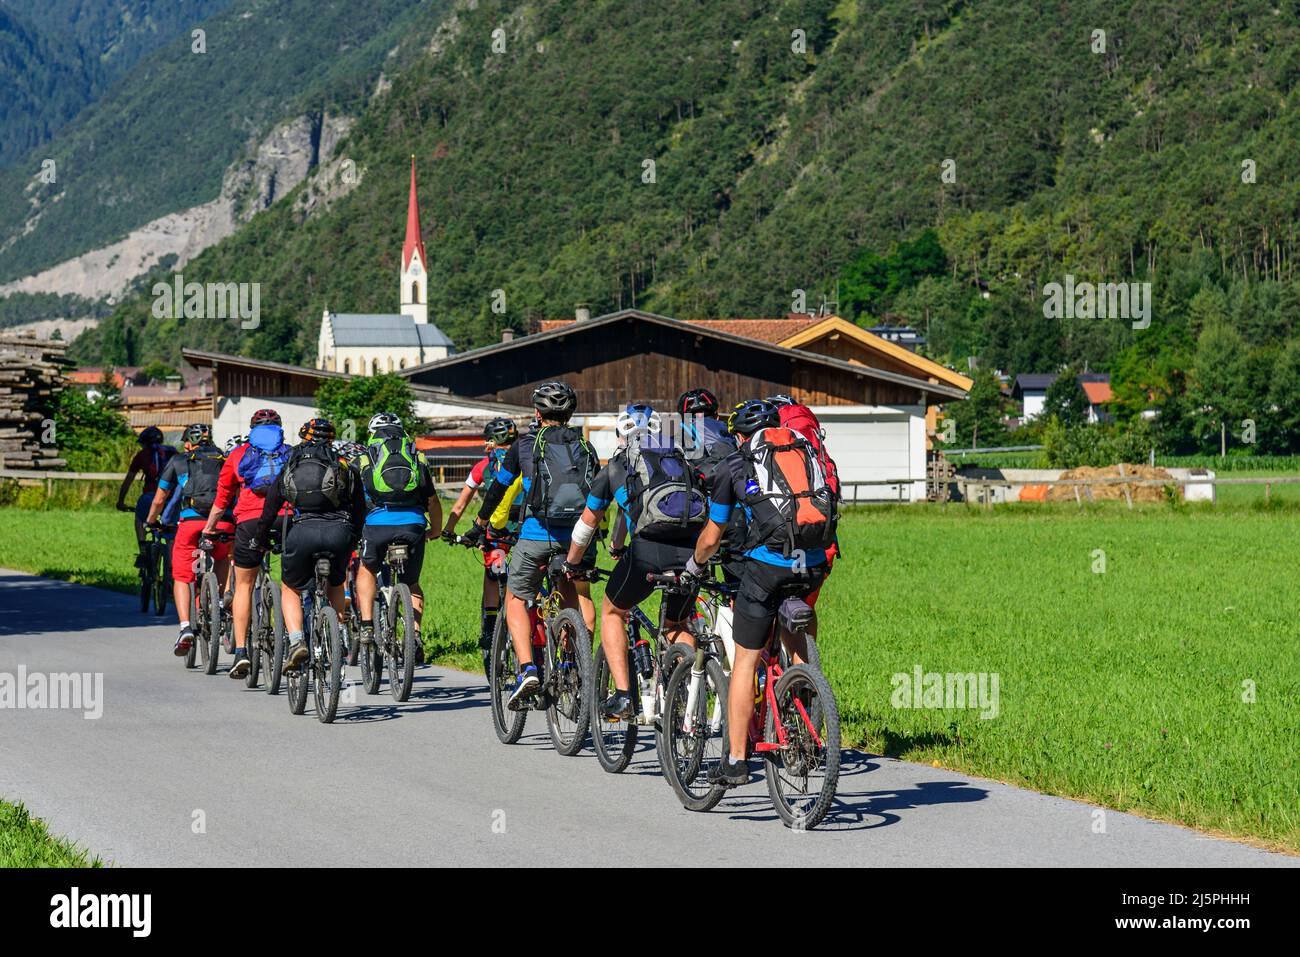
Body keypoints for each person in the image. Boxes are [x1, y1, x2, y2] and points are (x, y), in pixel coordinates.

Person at [683, 398, 838, 787]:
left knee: (746, 662)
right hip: (814, 561)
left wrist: (695, 565)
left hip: (767, 568)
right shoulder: (805, 450)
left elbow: (713, 535)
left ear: (738, 435)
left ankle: (736, 760)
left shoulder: (736, 463)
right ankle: (804, 712)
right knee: (795, 642)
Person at [563, 402, 708, 719]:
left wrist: (572, 562)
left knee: (613, 610)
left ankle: (625, 697)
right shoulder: (678, 460)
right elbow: (627, 514)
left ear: (620, 435)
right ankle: (688, 698)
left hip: (649, 552)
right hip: (693, 551)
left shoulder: (616, 466)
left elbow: (587, 523)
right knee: (677, 623)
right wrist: (618, 542)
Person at [469, 381, 598, 709]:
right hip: (577, 541)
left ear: (537, 413)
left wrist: (480, 524)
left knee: (515, 598)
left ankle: (528, 670)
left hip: (536, 536)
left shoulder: (523, 446)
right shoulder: (586, 448)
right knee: (572, 599)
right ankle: (574, 663)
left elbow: (498, 490)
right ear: (570, 414)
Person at [251, 418, 365, 671]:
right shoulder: (344, 465)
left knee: (291, 586)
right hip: (339, 532)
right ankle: (338, 635)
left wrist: (259, 539)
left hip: (302, 532)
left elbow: (270, 508)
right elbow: (360, 510)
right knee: (336, 581)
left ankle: (295, 642)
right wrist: (353, 537)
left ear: (303, 438)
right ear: (332, 440)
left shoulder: (291, 463)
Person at [201, 409, 291, 679]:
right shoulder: (290, 452)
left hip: (251, 521)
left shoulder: (239, 454)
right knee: (292, 584)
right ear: (280, 428)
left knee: (243, 585)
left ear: (252, 429)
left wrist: (209, 528)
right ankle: (297, 638)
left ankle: (241, 651)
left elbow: (223, 498)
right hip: (286, 520)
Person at [353, 412, 442, 662]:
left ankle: (368, 625)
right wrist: (434, 530)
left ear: (372, 433)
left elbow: (353, 501)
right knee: (412, 583)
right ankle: (415, 635)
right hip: (413, 525)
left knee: (368, 569)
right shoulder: (417, 456)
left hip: (377, 525)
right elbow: (433, 501)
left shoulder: (363, 458)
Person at [145, 423, 234, 656]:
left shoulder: (178, 461)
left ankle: (185, 627)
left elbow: (159, 499)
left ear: (187, 443)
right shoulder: (225, 459)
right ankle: (221, 605)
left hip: (191, 523)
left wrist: (151, 521)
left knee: (182, 576)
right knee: (223, 557)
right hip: (222, 521)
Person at [441, 417, 523, 666]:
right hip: (526, 529)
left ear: (490, 442)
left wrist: (448, 530)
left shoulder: (482, 467)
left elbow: (460, 502)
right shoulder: (527, 459)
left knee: (492, 574)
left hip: (495, 533)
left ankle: (489, 627)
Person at [116, 426, 176, 561]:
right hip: (172, 497)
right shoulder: (172, 452)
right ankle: (171, 559)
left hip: (151, 495)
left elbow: (128, 481)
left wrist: (121, 501)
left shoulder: (142, 455)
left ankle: (143, 549)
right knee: (172, 527)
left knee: (139, 517)